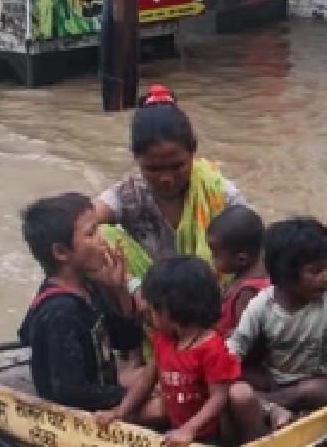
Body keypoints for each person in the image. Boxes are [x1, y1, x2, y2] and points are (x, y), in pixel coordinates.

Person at [92, 84, 252, 303]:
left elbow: (256, 249)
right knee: (98, 235)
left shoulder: (220, 193)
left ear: (193, 152)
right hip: (150, 305)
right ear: (136, 160)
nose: (166, 178)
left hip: (214, 305)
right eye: (153, 169)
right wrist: (131, 285)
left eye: (178, 166)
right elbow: (79, 222)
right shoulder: (128, 195)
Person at [97, 256, 266, 447]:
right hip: (177, 427)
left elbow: (218, 398)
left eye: (152, 309)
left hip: (210, 434)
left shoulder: (211, 347)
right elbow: (145, 382)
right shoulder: (163, 340)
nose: (149, 315)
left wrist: (190, 429)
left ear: (168, 311)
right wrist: (120, 412)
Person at [17, 193, 164, 421]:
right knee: (162, 408)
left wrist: (119, 290)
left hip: (101, 385)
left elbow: (126, 341)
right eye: (91, 233)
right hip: (77, 414)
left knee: (173, 378)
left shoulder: (89, 287)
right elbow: (70, 393)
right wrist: (129, 396)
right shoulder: (60, 312)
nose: (103, 240)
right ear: (61, 252)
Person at [227, 217, 327, 419]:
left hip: (317, 379)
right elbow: (238, 344)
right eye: (315, 271)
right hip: (274, 376)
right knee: (231, 377)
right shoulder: (262, 305)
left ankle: (266, 402)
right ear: (285, 274)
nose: (326, 277)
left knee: (315, 390)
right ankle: (269, 403)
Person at [207, 205, 270, 338]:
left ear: (241, 258)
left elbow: (246, 337)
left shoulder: (248, 293)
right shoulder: (262, 267)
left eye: (215, 254)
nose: (211, 258)